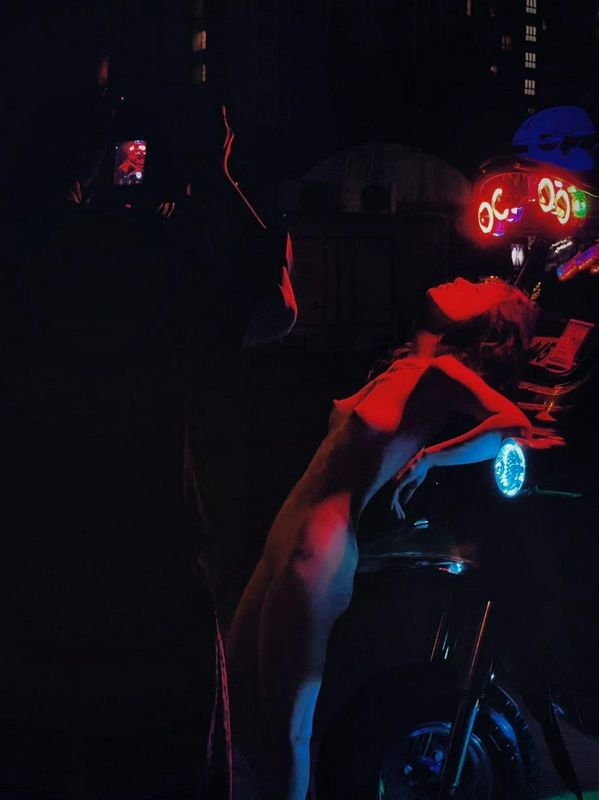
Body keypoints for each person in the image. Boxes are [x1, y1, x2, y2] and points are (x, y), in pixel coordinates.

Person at [0, 43, 296, 800]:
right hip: (144, 592)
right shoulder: (133, 255)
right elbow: (274, 308)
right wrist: (216, 175)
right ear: (93, 129)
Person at [227, 276, 539, 800]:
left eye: (478, 287)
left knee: (287, 734)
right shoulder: (406, 365)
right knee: (241, 714)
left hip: (320, 546)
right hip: (286, 536)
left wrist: (431, 457)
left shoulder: (442, 374)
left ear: (482, 323)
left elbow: (512, 423)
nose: (463, 278)